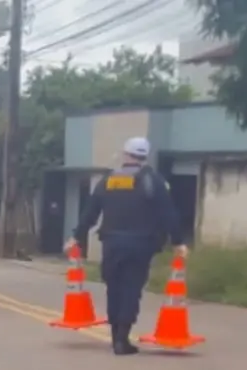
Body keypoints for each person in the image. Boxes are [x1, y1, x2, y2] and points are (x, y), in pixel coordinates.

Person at [66, 136, 188, 356]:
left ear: (125, 154)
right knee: (132, 289)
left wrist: (77, 236)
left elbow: (90, 212)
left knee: (114, 288)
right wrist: (178, 242)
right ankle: (122, 339)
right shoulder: (154, 181)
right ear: (145, 156)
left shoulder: (109, 180)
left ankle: (115, 338)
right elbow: (169, 213)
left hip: (112, 243)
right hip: (141, 244)